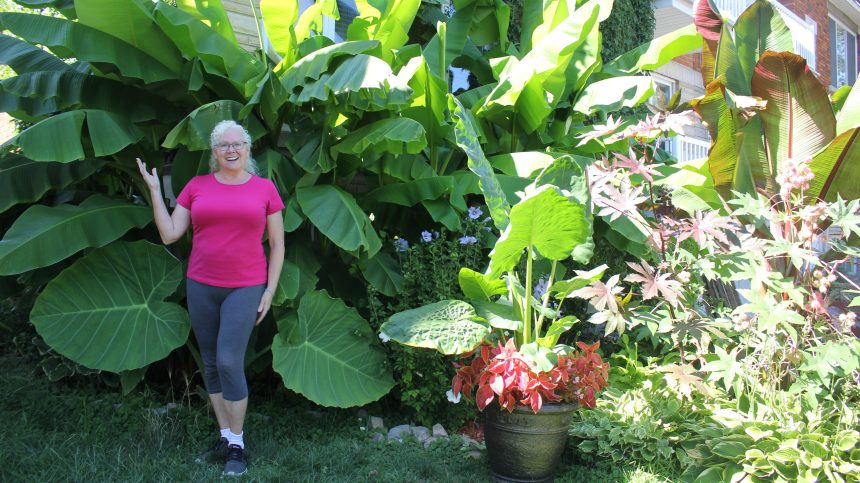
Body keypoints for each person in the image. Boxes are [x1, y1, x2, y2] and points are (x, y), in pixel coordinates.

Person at [137, 120, 285, 476]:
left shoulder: (264, 189)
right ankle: (225, 436)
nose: (230, 150)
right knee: (211, 363)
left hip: (245, 286)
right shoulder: (196, 186)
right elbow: (171, 234)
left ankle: (238, 444)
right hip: (201, 284)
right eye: (222, 145)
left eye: (237, 143)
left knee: (230, 360)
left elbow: (278, 245)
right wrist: (156, 191)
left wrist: (269, 289)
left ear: (248, 148)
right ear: (213, 153)